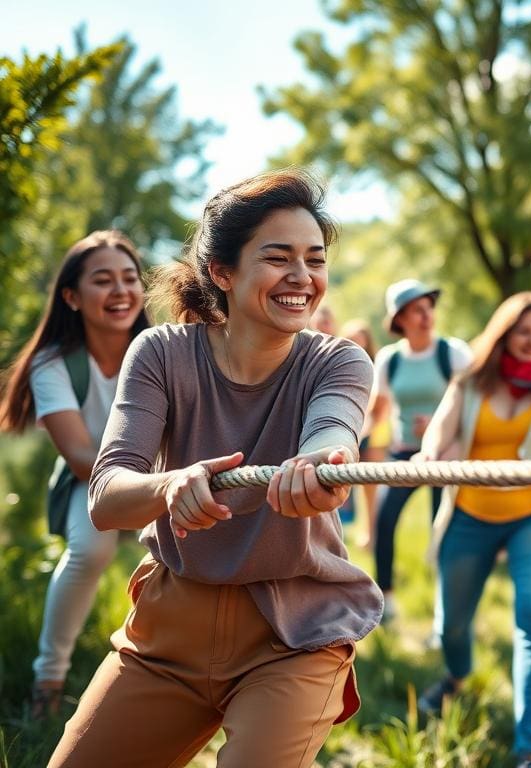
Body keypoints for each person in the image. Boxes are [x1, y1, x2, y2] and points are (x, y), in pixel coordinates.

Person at [46, 170, 382, 767]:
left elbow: (334, 433)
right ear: (221, 273)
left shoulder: (339, 362)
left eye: (315, 258)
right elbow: (107, 494)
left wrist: (320, 465)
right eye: (278, 257)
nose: (302, 277)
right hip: (168, 633)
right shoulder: (161, 352)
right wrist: (171, 484)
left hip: (293, 638)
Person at [415, 292, 531, 768]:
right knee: (452, 624)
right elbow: (439, 432)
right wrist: (430, 455)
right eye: (524, 332)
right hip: (470, 515)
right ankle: (456, 677)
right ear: (505, 334)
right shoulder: (471, 380)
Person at [0, 231, 150, 719]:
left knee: (186, 552)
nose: (121, 291)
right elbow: (82, 454)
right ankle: (49, 678)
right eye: (102, 280)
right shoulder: (53, 364)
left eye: (130, 278)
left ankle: (174, 666)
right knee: (90, 549)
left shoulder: (162, 347)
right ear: (71, 296)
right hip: (95, 479)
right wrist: (141, 489)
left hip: (165, 473)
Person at [364, 279, 472, 621]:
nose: (426, 316)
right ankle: (387, 602)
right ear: (400, 319)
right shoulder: (389, 360)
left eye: (429, 308)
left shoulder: (452, 353)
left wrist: (441, 427)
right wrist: (351, 440)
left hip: (445, 456)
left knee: (443, 533)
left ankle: (446, 610)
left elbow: (473, 408)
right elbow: (377, 411)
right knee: (383, 521)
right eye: (417, 311)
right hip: (403, 453)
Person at [341, 317, 384, 548]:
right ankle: (357, 529)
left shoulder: (378, 367)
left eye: (361, 338)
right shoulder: (340, 366)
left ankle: (372, 532)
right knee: (350, 482)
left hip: (373, 432)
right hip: (352, 430)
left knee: (371, 486)